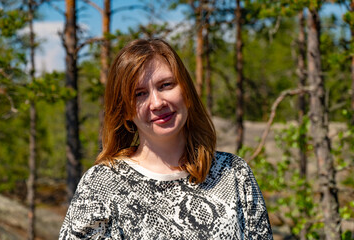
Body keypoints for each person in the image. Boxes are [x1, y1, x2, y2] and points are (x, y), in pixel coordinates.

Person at [59, 39, 273, 239]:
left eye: (166, 85)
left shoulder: (234, 173)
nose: (157, 102)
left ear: (186, 91)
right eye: (139, 94)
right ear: (124, 110)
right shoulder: (101, 185)